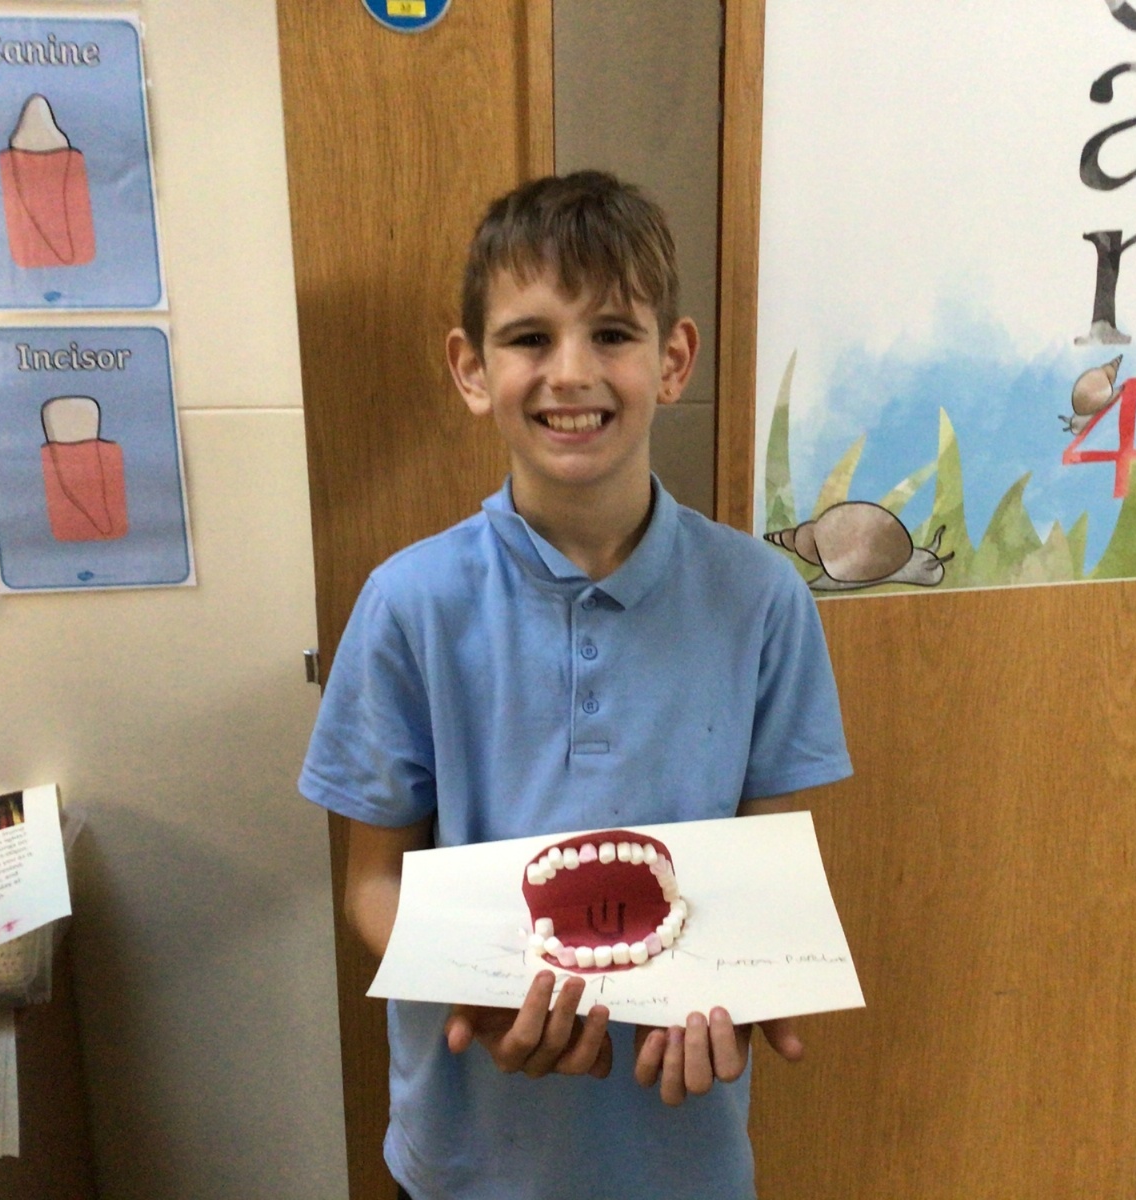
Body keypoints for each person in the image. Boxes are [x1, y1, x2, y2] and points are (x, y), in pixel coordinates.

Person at [298, 171, 851, 1200]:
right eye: (528, 338)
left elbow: (762, 879)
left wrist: (748, 992)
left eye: (610, 334)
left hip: (681, 1153)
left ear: (671, 359)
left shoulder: (762, 599)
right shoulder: (410, 604)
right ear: (471, 369)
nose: (571, 372)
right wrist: (483, 990)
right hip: (469, 1154)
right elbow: (371, 883)